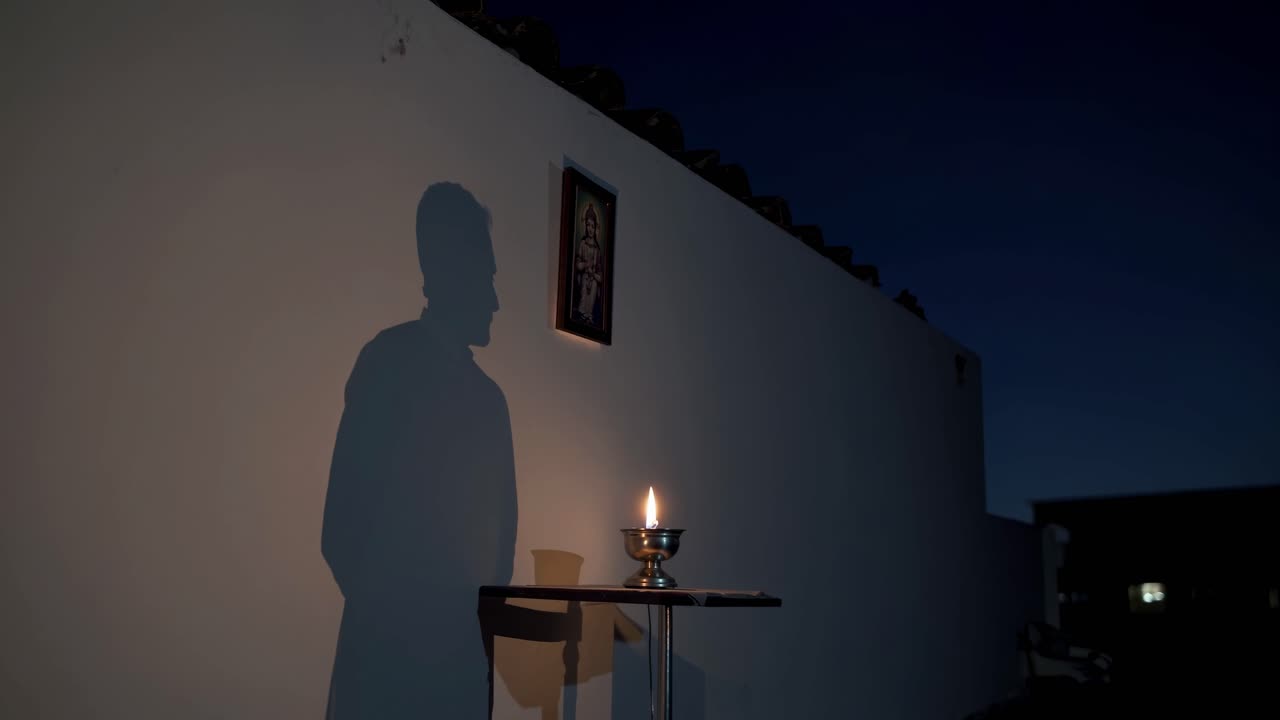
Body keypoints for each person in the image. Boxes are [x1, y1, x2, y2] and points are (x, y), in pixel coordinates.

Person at [322, 182, 517, 718]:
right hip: (390, 669)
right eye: (487, 278)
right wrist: (402, 628)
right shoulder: (388, 364)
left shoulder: (489, 401)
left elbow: (499, 551)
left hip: (453, 669)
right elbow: (343, 526)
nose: (496, 301)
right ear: (451, 271)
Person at [572, 203, 604, 326]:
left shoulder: (597, 249)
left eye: (593, 226)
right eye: (588, 225)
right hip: (584, 277)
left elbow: (601, 277)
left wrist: (594, 274)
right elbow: (578, 265)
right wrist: (586, 264)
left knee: (594, 283)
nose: (590, 229)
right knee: (585, 282)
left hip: (593, 278)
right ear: (585, 226)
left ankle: (589, 315)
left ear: (596, 228)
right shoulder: (583, 244)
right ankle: (582, 313)